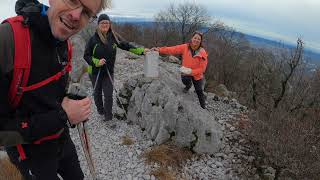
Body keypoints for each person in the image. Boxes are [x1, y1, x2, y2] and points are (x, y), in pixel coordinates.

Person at [0, 0, 108, 179]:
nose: (75, 15)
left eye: (86, 12)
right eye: (72, 0)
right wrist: (63, 116)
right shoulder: (7, 40)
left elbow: (48, 97)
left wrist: (69, 102)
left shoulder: (64, 43)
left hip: (61, 139)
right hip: (30, 154)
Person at [84, 14, 145, 121]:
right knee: (97, 93)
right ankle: (100, 110)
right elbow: (86, 56)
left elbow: (126, 45)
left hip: (108, 71)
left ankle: (108, 117)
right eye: (102, 23)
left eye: (107, 23)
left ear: (110, 24)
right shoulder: (93, 39)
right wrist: (97, 62)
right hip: (95, 71)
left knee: (108, 94)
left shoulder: (114, 37)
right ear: (98, 25)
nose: (105, 24)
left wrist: (141, 51)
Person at [151, 31, 208, 109]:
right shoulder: (185, 47)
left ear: (200, 41)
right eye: (195, 38)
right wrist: (159, 50)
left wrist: (192, 72)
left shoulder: (202, 52)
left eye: (198, 39)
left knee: (199, 91)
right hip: (185, 72)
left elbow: (203, 69)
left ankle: (203, 108)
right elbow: (172, 49)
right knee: (185, 80)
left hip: (197, 74)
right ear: (192, 38)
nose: (196, 40)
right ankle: (188, 86)